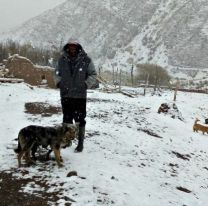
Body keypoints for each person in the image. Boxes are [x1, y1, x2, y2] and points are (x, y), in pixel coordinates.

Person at [54, 40, 97, 152]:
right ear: (67, 48)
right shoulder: (62, 60)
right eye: (70, 47)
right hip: (66, 95)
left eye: (74, 47)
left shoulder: (86, 60)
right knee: (67, 118)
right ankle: (67, 141)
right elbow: (56, 73)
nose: (72, 48)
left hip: (79, 96)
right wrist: (59, 82)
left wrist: (86, 84)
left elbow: (93, 74)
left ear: (78, 48)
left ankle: (80, 143)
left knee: (80, 120)